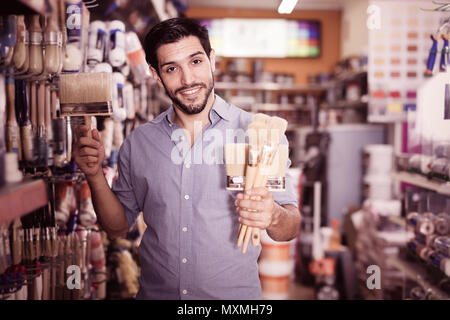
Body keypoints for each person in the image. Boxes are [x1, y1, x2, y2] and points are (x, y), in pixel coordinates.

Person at [74, 17, 301, 300]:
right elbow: (118, 227)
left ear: (211, 60)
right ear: (156, 75)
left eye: (195, 62)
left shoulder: (257, 133)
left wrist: (274, 215)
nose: (187, 79)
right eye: (171, 68)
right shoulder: (138, 143)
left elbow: (289, 227)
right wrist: (94, 175)